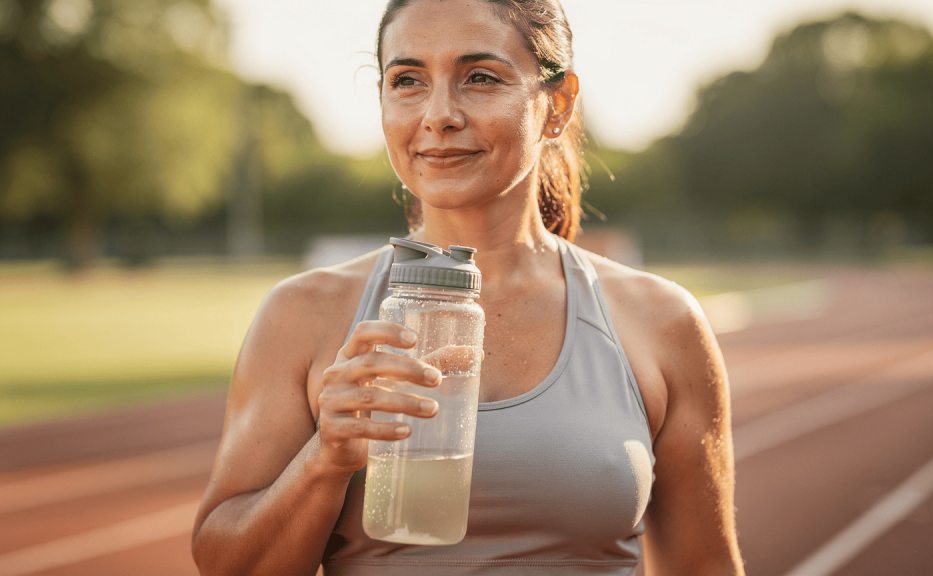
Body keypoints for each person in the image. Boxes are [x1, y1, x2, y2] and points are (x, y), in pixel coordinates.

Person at [191, 1, 744, 574]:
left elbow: (705, 566)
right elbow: (226, 563)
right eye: (407, 80)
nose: (439, 115)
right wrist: (323, 460)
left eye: (480, 77)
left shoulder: (663, 322)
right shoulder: (299, 316)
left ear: (557, 105)